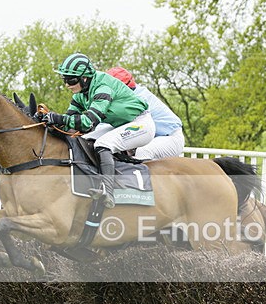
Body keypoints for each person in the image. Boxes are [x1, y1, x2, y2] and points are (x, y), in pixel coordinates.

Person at [41, 53, 156, 208]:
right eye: (65, 79)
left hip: (141, 124)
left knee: (103, 144)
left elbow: (88, 122)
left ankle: (108, 193)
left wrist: (59, 118)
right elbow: (69, 124)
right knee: (85, 141)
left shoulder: (102, 87)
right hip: (120, 125)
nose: (67, 84)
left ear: (85, 78)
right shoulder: (81, 93)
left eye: (71, 79)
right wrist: (45, 122)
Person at [107, 66, 184, 160]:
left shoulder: (138, 99)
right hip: (154, 137)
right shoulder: (132, 93)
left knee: (142, 152)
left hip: (171, 138)